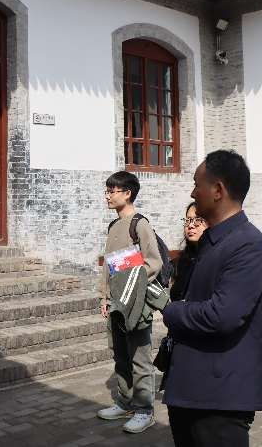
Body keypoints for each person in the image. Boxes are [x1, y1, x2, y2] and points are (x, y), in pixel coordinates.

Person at [162, 150, 262, 447]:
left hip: (220, 396)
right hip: (194, 387)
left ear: (218, 190)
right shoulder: (214, 240)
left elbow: (222, 315)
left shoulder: (247, 245)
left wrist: (173, 311)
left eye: (196, 185)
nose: (192, 193)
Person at [96, 171, 163, 434]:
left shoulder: (140, 224)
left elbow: (153, 262)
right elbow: (108, 267)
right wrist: (104, 296)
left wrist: (130, 280)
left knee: (140, 357)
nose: (108, 196)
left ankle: (145, 410)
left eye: (112, 191)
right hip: (116, 303)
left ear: (128, 193)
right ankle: (125, 403)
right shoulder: (114, 226)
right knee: (121, 355)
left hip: (135, 303)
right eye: (107, 190)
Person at [169, 202, 207, 302]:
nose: (190, 225)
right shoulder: (180, 261)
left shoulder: (213, 260)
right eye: (188, 220)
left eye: (197, 220)